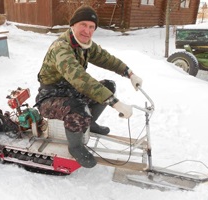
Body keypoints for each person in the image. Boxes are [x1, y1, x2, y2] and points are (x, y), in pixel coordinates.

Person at [35, 5, 143, 168]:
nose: (87, 30)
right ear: (73, 25)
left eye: (91, 27)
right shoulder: (61, 48)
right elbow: (80, 79)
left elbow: (107, 59)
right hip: (49, 98)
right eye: (83, 25)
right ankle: (75, 146)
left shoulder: (85, 45)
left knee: (108, 85)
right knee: (78, 107)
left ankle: (89, 123)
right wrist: (115, 103)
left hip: (70, 92)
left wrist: (129, 73)